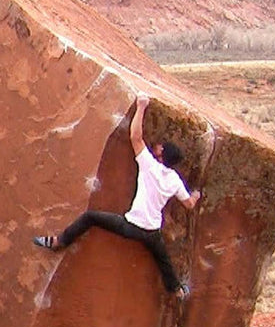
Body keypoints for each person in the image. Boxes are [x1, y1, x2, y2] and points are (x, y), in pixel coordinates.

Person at [33, 94, 200, 298]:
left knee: (90, 217)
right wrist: (196, 195)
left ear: (161, 154)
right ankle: (176, 290)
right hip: (151, 232)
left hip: (130, 226)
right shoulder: (174, 180)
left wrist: (141, 106)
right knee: (162, 259)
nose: (157, 146)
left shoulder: (149, 165)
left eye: (160, 147)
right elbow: (189, 204)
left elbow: (135, 137)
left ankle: (59, 241)